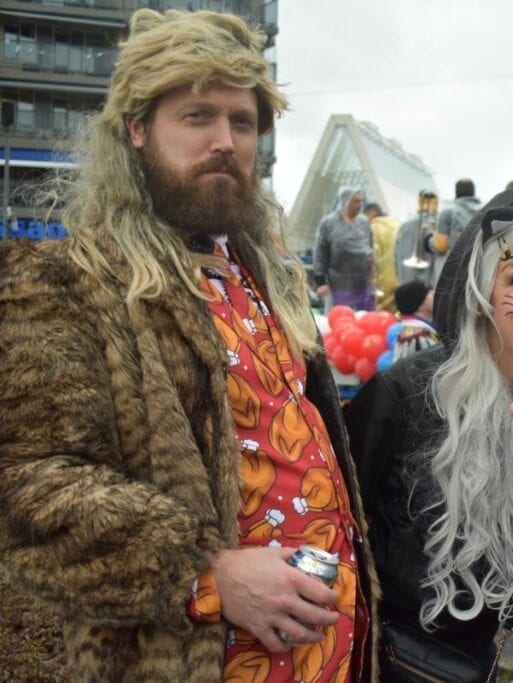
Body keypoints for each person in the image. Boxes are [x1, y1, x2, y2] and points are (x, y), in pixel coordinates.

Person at [0, 9, 376, 681]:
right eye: (197, 116)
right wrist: (207, 573)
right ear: (138, 130)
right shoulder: (69, 282)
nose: (225, 141)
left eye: (242, 121)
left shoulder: (266, 276)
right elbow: (27, 484)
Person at [344, 192, 513, 680]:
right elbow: (336, 523)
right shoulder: (405, 394)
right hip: (380, 658)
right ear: (480, 295)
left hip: (475, 664)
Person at [314, 186, 376, 311]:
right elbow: (320, 253)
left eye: (361, 201)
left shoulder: (363, 222)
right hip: (339, 284)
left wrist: (372, 265)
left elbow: (369, 247)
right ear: (345, 201)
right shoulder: (329, 223)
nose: (360, 204)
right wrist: (320, 282)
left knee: (365, 319)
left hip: (363, 283)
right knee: (341, 320)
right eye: (356, 201)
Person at [429, 177, 481, 286]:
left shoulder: (449, 212)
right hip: (479, 273)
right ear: (473, 192)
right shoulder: (484, 210)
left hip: (453, 276)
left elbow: (441, 246)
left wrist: (429, 240)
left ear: (456, 192)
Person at [364, 201, 400, 313]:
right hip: (400, 277)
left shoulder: (374, 227)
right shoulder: (396, 222)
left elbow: (372, 254)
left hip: (384, 278)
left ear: (371, 213)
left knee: (381, 314)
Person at [391, 279, 440, 361]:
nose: (435, 294)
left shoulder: (421, 331)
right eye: (430, 293)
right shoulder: (417, 338)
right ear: (419, 305)